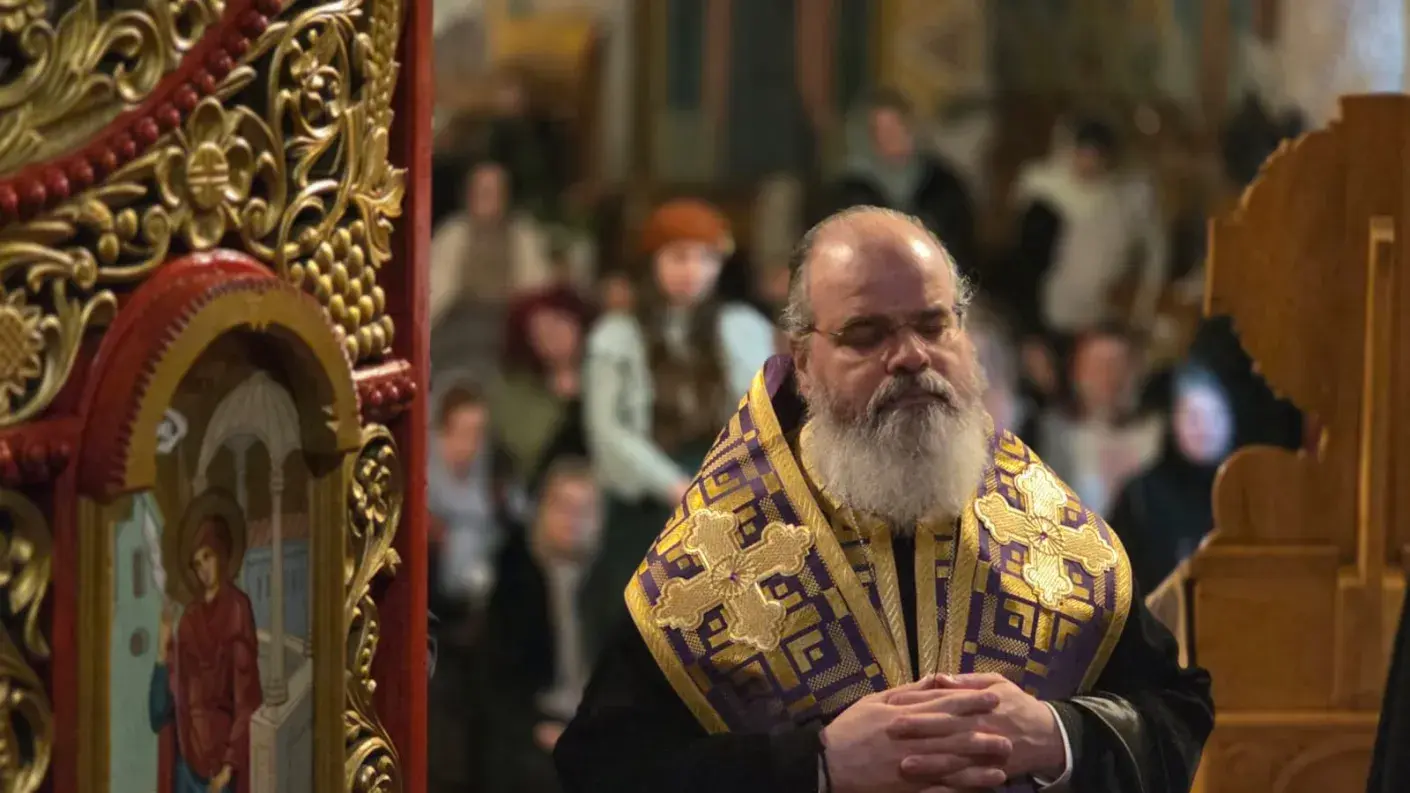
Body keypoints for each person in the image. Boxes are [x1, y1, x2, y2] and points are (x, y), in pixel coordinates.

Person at [555, 206, 1212, 793]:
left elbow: (1177, 715)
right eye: (866, 334)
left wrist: (1055, 735)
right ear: (802, 361)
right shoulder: (727, 544)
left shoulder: (1040, 524)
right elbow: (602, 768)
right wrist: (816, 766)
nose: (910, 356)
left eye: (933, 324)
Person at [579, 198, 776, 656]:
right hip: (645, 507)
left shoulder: (742, 328)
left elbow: (759, 415)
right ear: (653, 263)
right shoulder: (617, 336)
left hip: (724, 498)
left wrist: (725, 482)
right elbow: (607, 430)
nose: (692, 271)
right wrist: (671, 485)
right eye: (679, 257)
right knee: (635, 632)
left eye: (705, 259)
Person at [481, 459, 604, 793]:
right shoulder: (515, 579)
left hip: (594, 726)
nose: (572, 520)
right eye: (563, 507)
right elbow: (496, 685)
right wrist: (537, 728)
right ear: (542, 510)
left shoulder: (612, 586)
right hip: (535, 724)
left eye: (584, 510)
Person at [1008, 119, 1168, 339]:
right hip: (1048, 311)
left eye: (1096, 157)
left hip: (1101, 317)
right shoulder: (1041, 189)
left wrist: (1144, 308)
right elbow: (1022, 260)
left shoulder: (1125, 199)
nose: (1089, 163)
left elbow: (1155, 254)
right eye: (1084, 154)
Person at [150, 508, 262, 793]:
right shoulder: (189, 619)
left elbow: (246, 698)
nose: (203, 569)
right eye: (197, 563)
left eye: (207, 557)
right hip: (186, 763)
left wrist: (228, 768)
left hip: (218, 767)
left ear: (222, 554)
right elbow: (160, 711)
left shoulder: (237, 610)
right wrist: (162, 648)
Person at [1109, 365, 1235, 593]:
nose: (1204, 428)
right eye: (1193, 417)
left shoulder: (1244, 494)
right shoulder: (1141, 496)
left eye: (1215, 415)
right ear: (1172, 422)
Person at [832, 89, 978, 279]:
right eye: (880, 130)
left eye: (895, 127)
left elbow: (961, 249)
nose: (889, 137)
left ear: (910, 129)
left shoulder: (944, 187)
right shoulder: (851, 192)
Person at [1038, 325, 1163, 516]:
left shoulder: (1159, 435)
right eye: (1096, 367)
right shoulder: (1054, 433)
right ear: (1075, 373)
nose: (1107, 377)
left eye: (1118, 366)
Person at [488, 287, 593, 494]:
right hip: (543, 491)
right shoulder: (515, 388)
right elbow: (527, 452)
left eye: (558, 324)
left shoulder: (604, 374)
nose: (552, 337)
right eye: (540, 333)